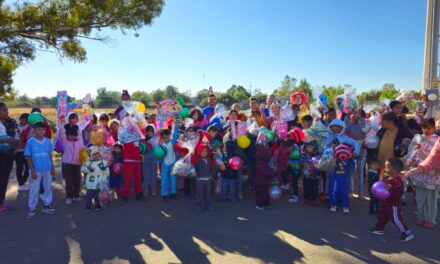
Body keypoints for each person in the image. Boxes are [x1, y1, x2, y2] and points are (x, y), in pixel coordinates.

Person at [402, 118, 439, 228]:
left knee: (431, 198)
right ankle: (421, 217)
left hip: (433, 173)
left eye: (429, 128)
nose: (426, 130)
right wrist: (414, 151)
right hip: (419, 171)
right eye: (424, 127)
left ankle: (430, 219)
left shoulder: (437, 140)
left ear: (434, 128)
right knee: (420, 196)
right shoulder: (418, 138)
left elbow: (434, 158)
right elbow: (410, 153)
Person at [369, 158, 414, 242]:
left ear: (394, 170)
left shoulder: (398, 181)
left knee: (396, 220)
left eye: (387, 167)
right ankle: (379, 228)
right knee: (382, 217)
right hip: (385, 203)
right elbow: (381, 184)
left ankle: (407, 232)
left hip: (393, 205)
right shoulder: (387, 177)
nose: (385, 169)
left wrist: (391, 189)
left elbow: (399, 193)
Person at [24, 121, 56, 218]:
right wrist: (32, 170)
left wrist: (52, 166)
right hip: (36, 169)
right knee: (34, 189)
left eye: (43, 129)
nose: (41, 131)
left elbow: (50, 154)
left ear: (45, 130)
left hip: (47, 168)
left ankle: (47, 205)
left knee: (48, 187)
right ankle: (32, 208)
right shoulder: (30, 142)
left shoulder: (47, 141)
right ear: (34, 130)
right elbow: (28, 157)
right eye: (38, 129)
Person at [344, 108, 370, 200]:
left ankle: (361, 193)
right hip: (351, 153)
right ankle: (351, 192)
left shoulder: (365, 124)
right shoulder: (349, 124)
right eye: (353, 114)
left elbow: (365, 130)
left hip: (362, 153)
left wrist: (361, 120)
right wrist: (347, 115)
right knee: (351, 172)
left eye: (358, 114)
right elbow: (343, 127)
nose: (355, 116)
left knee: (360, 173)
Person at [59, 124, 84, 205]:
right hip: (67, 164)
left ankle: (76, 195)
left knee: (77, 180)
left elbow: (83, 150)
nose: (71, 137)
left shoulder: (79, 141)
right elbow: (61, 134)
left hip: (77, 164)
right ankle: (68, 196)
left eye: (73, 135)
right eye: (69, 135)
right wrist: (63, 125)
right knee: (69, 181)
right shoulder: (65, 141)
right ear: (67, 135)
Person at [159, 113, 181, 200]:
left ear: (169, 136)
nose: (166, 139)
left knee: (173, 179)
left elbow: (176, 130)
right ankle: (165, 194)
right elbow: (158, 156)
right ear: (162, 138)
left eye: (168, 137)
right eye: (164, 138)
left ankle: (173, 192)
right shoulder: (160, 145)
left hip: (172, 163)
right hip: (164, 164)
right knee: (164, 179)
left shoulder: (172, 141)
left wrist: (177, 117)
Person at [81, 146, 110, 211]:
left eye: (97, 153)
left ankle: (97, 205)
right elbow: (82, 168)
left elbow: (107, 171)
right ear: (91, 155)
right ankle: (87, 206)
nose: (96, 155)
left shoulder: (103, 162)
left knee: (97, 195)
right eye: (93, 154)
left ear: (99, 154)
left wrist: (105, 180)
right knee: (89, 195)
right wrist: (88, 169)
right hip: (90, 183)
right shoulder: (88, 162)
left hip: (99, 183)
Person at [328, 144, 355, 213]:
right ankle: (333, 204)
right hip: (334, 179)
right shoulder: (334, 158)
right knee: (333, 191)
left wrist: (350, 157)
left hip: (344, 180)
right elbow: (328, 164)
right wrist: (333, 157)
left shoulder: (349, 160)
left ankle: (345, 205)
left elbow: (352, 165)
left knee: (344, 192)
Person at [191, 144, 215, 211]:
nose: (204, 153)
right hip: (200, 180)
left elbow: (213, 165)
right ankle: (198, 205)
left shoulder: (209, 159)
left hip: (207, 180)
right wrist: (193, 154)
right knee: (200, 195)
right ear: (199, 152)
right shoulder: (197, 159)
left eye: (205, 151)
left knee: (208, 194)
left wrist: (213, 157)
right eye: (202, 151)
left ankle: (208, 204)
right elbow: (192, 161)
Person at [254, 131, 275, 210]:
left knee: (263, 189)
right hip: (262, 173)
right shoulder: (262, 149)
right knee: (262, 189)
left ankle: (264, 203)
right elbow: (268, 157)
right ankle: (260, 204)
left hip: (261, 173)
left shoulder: (258, 148)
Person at [302, 141, 321, 206]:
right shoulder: (305, 154)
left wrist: (315, 166)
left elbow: (321, 165)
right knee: (306, 187)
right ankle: (306, 198)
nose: (308, 149)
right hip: (306, 175)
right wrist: (303, 164)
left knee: (314, 188)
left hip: (315, 176)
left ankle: (313, 199)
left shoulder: (318, 155)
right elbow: (301, 161)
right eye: (307, 147)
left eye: (310, 147)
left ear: (314, 147)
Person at [16, 113, 31, 190]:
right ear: (20, 119)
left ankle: (23, 182)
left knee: (28, 166)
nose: (24, 122)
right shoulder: (15, 126)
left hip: (26, 150)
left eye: (26, 121)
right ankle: (20, 184)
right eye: (23, 120)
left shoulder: (29, 128)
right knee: (20, 167)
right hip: (18, 150)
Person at [143, 124, 158, 196]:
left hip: (154, 159)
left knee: (153, 174)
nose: (149, 132)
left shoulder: (156, 138)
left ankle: (153, 189)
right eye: (148, 131)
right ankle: (146, 189)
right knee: (146, 174)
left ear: (154, 132)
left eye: (151, 131)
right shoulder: (143, 139)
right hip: (146, 159)